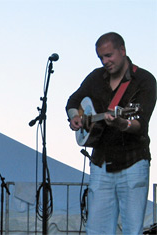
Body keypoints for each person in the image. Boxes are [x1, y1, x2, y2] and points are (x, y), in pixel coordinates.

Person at [66, 32, 156, 234]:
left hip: (132, 161)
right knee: (96, 229)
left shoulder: (144, 80)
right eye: (101, 57)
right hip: (101, 162)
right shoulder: (95, 77)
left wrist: (122, 123)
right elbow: (73, 101)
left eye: (109, 55)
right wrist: (75, 117)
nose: (105, 61)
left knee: (132, 229)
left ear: (122, 50)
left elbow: (140, 123)